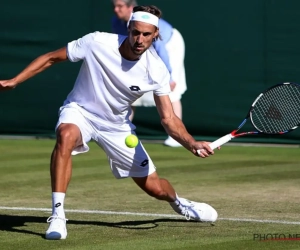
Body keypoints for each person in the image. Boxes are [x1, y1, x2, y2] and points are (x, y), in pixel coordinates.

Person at [0, 5, 218, 240]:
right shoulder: (97, 42)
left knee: (155, 187)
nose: (139, 39)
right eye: (136, 32)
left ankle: (179, 203)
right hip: (81, 111)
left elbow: (168, 118)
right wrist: (15, 80)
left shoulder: (156, 70)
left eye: (146, 34)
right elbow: (51, 58)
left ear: (155, 35)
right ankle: (58, 215)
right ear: (129, 28)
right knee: (66, 135)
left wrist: (191, 142)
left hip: (117, 126)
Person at [111, 0, 187, 147]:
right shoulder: (116, 22)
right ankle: (122, 132)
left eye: (120, 6)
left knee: (172, 91)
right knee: (128, 89)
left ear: (130, 7)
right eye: (114, 6)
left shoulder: (147, 26)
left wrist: (169, 77)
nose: (116, 9)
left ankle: (176, 137)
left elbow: (160, 49)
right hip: (143, 48)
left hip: (169, 44)